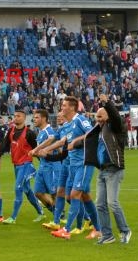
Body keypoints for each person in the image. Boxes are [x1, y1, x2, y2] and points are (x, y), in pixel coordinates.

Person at [81, 94, 132, 244]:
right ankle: (107, 235)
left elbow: (115, 116)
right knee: (100, 204)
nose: (97, 118)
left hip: (114, 169)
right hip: (102, 170)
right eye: (96, 115)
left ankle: (125, 230)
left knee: (112, 203)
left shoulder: (116, 126)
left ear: (107, 115)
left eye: (100, 115)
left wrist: (107, 102)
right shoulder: (99, 130)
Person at [51, 97, 102, 240]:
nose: (62, 107)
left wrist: (76, 141)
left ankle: (66, 229)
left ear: (72, 108)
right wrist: (46, 149)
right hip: (73, 165)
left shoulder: (80, 120)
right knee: (81, 196)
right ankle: (98, 229)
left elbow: (92, 134)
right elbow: (63, 142)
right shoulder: (68, 124)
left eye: (64, 105)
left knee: (74, 195)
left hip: (84, 163)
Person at [0, 110, 45, 224]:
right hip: (16, 165)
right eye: (14, 116)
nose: (15, 118)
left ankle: (13, 217)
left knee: (18, 188)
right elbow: (3, 146)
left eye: (18, 116)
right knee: (27, 190)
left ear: (24, 118)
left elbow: (37, 149)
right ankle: (41, 212)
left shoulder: (29, 133)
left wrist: (43, 164)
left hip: (26, 164)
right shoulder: (11, 131)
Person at [31, 109, 61, 216]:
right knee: (38, 192)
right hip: (43, 166)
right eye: (34, 117)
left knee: (54, 193)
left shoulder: (49, 132)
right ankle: (55, 211)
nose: (34, 119)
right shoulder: (40, 132)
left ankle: (59, 215)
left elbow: (50, 152)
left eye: (37, 117)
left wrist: (33, 153)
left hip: (52, 166)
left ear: (44, 118)